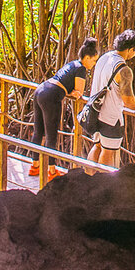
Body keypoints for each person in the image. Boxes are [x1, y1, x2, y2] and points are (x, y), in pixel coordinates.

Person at [29, 37, 98, 182]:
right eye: (93, 60)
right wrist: (72, 92)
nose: (94, 63)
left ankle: (34, 165)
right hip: (51, 96)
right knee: (51, 135)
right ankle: (51, 170)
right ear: (86, 58)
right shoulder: (81, 69)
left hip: (41, 90)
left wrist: (69, 91)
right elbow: (79, 91)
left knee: (38, 131)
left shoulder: (73, 64)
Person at [85, 29, 135, 171]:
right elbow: (128, 101)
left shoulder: (105, 57)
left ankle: (87, 182)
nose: (134, 55)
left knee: (97, 146)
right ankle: (102, 188)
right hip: (110, 118)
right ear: (130, 50)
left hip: (94, 113)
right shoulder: (123, 70)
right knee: (108, 151)